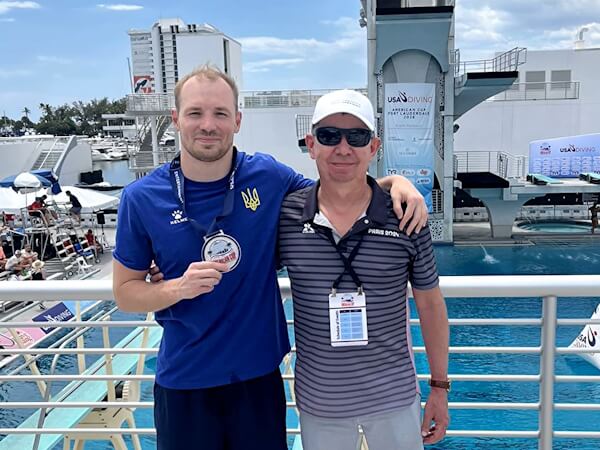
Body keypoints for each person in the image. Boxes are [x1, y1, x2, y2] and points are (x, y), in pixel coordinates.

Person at [112, 65, 428, 450]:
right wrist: (176, 288)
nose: (208, 125)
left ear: (237, 120)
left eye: (220, 113)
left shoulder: (268, 176)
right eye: (195, 113)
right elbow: (125, 293)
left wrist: (396, 183)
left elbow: (339, 189)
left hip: (258, 382)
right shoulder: (141, 198)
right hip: (184, 383)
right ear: (176, 119)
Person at [278, 89, 449, 449]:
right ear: (311, 145)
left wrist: (439, 387)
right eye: (329, 136)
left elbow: (431, 305)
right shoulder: (287, 217)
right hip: (320, 403)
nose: (343, 148)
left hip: (394, 399)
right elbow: (243, 270)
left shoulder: (406, 216)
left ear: (373, 147)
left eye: (356, 137)